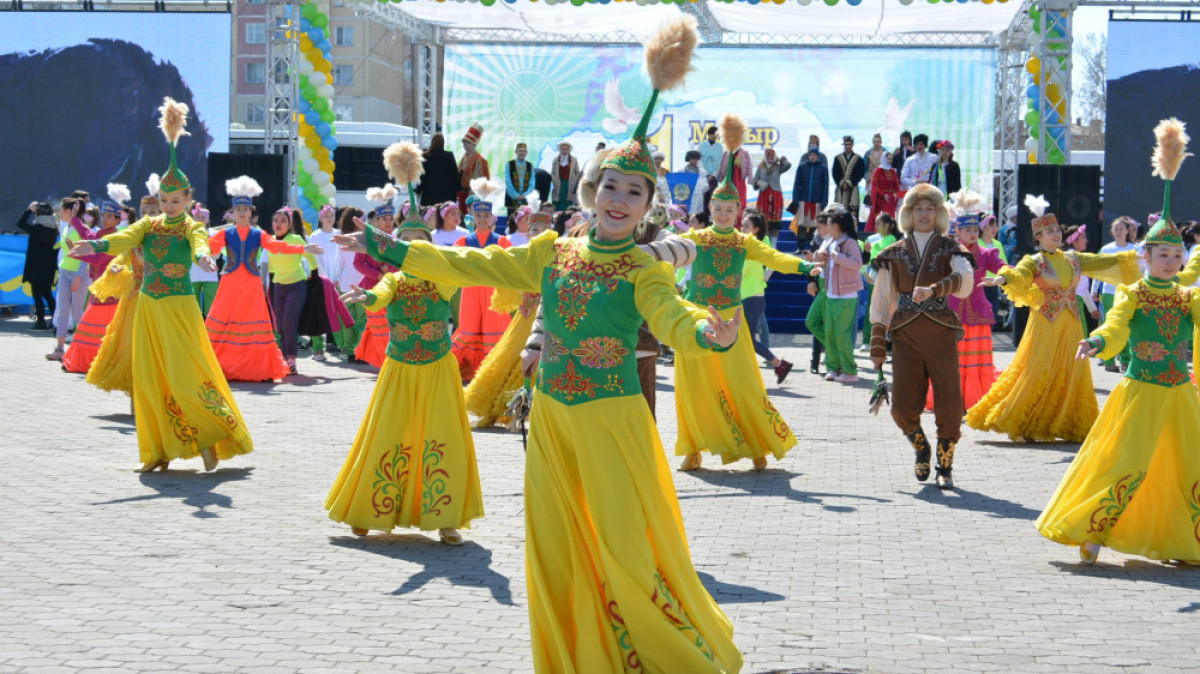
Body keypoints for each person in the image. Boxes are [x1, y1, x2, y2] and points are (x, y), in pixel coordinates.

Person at [335, 17, 743, 670]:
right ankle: (576, 655)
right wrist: (385, 247)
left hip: (613, 422)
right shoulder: (553, 253)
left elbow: (669, 316)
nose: (618, 198)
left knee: (624, 546)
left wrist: (704, 330)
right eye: (610, 185)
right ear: (592, 190)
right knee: (554, 545)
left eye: (633, 192)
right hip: (552, 418)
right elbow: (470, 267)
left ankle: (655, 652)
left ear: (646, 209)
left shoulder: (641, 267)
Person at [1038, 123, 1200, 565]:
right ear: (1144, 257)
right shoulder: (1133, 293)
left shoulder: (1189, 297)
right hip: (1140, 391)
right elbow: (1117, 325)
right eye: (1161, 255)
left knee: (1187, 466)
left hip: (1180, 394)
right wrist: (1096, 341)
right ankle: (1091, 531)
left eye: (1176, 256)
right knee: (1123, 462)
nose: (1170, 261)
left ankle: (1186, 539)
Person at [68, 98, 252, 472]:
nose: (168, 206)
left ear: (188, 199)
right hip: (148, 309)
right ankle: (157, 452)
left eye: (175, 200)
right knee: (149, 381)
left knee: (187, 376)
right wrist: (97, 244)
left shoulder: (190, 226)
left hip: (179, 309)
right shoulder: (147, 227)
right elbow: (123, 239)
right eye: (163, 201)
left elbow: (201, 243)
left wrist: (203, 257)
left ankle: (208, 437)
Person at [327, 143, 482, 545]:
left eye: (420, 240)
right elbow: (381, 292)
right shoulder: (394, 279)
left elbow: (460, 279)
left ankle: (445, 517)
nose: (413, 247)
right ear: (396, 245)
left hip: (437, 367)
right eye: (406, 240)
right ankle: (368, 508)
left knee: (441, 436)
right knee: (388, 433)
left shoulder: (443, 277)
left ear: (430, 244)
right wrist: (366, 298)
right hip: (399, 367)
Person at [676, 113, 814, 473]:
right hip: (697, 319)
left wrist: (803, 266)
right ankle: (694, 447)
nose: (722, 214)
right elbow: (667, 252)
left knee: (743, 383)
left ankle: (757, 445)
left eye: (729, 209)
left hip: (734, 320)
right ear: (710, 209)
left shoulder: (743, 243)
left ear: (738, 212)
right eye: (717, 209)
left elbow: (774, 257)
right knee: (695, 385)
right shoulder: (695, 239)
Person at [970, 194, 1139, 443]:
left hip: (1071, 323)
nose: (1055, 235)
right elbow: (1019, 275)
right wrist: (1001, 279)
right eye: (1049, 232)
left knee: (1072, 369)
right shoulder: (1034, 261)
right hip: (1045, 323)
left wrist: (1136, 257)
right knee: (1041, 369)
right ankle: (1029, 421)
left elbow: (1102, 261)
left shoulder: (1073, 258)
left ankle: (1068, 422)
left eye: (1057, 230)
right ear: (1038, 237)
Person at [869, 184, 974, 489]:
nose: (924, 214)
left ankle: (945, 465)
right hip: (905, 337)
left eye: (930, 209)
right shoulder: (893, 254)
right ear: (908, 214)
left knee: (950, 403)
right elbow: (881, 301)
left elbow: (966, 281)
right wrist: (878, 346)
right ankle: (921, 447)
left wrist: (935, 289)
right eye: (918, 209)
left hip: (941, 334)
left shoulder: (950, 248)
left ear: (939, 213)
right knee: (901, 406)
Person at [206, 178, 313, 381]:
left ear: (251, 212)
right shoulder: (226, 233)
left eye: (246, 209)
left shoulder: (258, 233)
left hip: (251, 284)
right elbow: (208, 247)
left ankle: (255, 368)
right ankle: (219, 365)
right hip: (230, 282)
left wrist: (303, 248)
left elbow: (278, 246)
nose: (242, 213)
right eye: (239, 209)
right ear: (233, 212)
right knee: (224, 319)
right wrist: (198, 251)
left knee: (252, 320)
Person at [464, 208, 554, 428]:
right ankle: (500, 408)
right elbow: (507, 280)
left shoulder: (556, 257)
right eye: (534, 229)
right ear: (528, 232)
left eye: (543, 229)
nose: (538, 233)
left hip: (546, 318)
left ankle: (530, 410)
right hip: (523, 318)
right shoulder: (522, 254)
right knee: (509, 358)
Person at [938, 192, 1005, 411]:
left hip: (978, 314)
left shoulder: (987, 253)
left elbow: (1002, 267)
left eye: (976, 229)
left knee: (977, 362)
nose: (973, 233)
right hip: (952, 313)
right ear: (957, 231)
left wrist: (1009, 275)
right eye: (968, 230)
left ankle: (976, 399)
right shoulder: (947, 252)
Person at [62, 185, 130, 374]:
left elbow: (100, 258)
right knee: (93, 324)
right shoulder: (102, 234)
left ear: (117, 219)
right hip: (100, 284)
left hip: (110, 287)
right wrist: (75, 219)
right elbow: (88, 235)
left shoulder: (116, 237)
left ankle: (98, 362)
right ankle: (89, 361)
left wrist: (76, 254)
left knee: (98, 324)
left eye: (110, 216)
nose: (106, 219)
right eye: (105, 216)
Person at [452, 179, 512, 382]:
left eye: (486, 215)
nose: (483, 219)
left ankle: (493, 373)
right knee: (468, 328)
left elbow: (510, 265)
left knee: (494, 330)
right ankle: (460, 368)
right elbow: (455, 263)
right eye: (479, 215)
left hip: (494, 292)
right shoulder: (464, 241)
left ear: (492, 218)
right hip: (471, 289)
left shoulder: (502, 241)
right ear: (472, 217)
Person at [264, 208, 322, 376]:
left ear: (289, 224)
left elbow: (310, 256)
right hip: (277, 286)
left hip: (296, 286)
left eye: (283, 221)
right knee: (280, 326)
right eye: (276, 220)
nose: (278, 224)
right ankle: (283, 359)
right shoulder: (271, 241)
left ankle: (291, 360)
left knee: (289, 324)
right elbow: (272, 266)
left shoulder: (295, 238)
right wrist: (271, 285)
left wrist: (315, 275)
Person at [739, 208, 792, 381]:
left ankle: (778, 364)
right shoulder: (747, 245)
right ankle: (753, 370)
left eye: (746, 226)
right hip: (747, 296)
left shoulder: (754, 248)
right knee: (744, 337)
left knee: (747, 338)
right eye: (742, 225)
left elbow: (741, 271)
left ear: (756, 229)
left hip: (752, 296)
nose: (742, 229)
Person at [816, 207, 864, 383]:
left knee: (842, 334)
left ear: (836, 225)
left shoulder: (850, 243)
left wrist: (837, 257)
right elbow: (822, 259)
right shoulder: (830, 242)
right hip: (831, 294)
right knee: (830, 332)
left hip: (847, 295)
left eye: (829, 225)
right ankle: (833, 368)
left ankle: (850, 372)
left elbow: (857, 264)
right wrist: (817, 255)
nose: (827, 228)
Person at [354, 189, 400, 368]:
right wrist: (379, 274)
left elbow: (402, 262)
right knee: (379, 327)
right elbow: (358, 263)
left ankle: (389, 360)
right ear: (377, 221)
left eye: (390, 219)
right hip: (373, 289)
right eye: (384, 219)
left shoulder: (397, 240)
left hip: (394, 288)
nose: (388, 223)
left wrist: (390, 273)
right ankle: (385, 363)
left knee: (392, 327)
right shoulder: (367, 239)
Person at [45, 196, 90, 361]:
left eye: (63, 209)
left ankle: (84, 350)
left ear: (71, 211)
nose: (60, 212)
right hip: (65, 272)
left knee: (78, 313)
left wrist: (78, 276)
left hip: (79, 274)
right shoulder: (66, 227)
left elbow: (85, 256)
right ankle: (59, 349)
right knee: (63, 311)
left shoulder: (82, 229)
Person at [1094, 216, 1139, 372]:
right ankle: (1108, 360)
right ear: (1112, 231)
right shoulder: (1106, 249)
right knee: (1110, 326)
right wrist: (1094, 290)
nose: (1118, 231)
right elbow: (1099, 270)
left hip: (1128, 293)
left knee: (1126, 326)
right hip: (1109, 293)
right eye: (1116, 229)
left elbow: (1141, 271)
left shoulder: (1135, 249)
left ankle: (1126, 360)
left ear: (1127, 231)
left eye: (1121, 228)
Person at [16, 202, 58, 330]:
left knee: (37, 294)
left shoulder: (37, 227)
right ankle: (55, 321)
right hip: (49, 265)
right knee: (47, 293)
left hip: (36, 265)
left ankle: (41, 321)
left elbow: (20, 224)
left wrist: (28, 210)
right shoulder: (54, 228)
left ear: (38, 214)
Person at [861, 211, 900, 348]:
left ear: (888, 225)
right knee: (871, 309)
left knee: (887, 309)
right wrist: (865, 274)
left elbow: (881, 255)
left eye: (879, 223)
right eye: (875, 223)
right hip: (873, 276)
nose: (876, 226)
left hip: (887, 278)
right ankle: (867, 340)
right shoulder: (872, 239)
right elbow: (866, 259)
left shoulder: (893, 240)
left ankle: (885, 342)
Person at [333, 206, 366, 360]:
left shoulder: (343, 238)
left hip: (349, 284)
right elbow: (339, 262)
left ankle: (350, 349)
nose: (364, 222)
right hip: (357, 284)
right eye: (362, 219)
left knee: (352, 319)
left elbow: (338, 263)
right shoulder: (360, 238)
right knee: (359, 319)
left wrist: (338, 280)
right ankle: (354, 350)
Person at [789, 147, 829, 242]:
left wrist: (824, 202)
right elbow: (796, 184)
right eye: (811, 155)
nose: (812, 157)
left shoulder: (823, 168)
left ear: (818, 156)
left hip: (817, 201)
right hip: (803, 200)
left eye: (814, 155)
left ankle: (812, 247)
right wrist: (795, 199)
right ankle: (800, 247)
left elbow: (825, 186)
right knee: (802, 225)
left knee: (815, 225)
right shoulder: (802, 166)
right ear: (808, 156)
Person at [751, 147, 791, 231]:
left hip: (775, 195)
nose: (770, 160)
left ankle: (773, 243)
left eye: (772, 158)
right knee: (763, 222)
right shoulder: (761, 166)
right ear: (765, 157)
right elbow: (754, 180)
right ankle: (764, 240)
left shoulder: (778, 166)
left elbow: (788, 165)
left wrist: (783, 160)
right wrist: (759, 183)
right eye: (768, 158)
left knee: (775, 225)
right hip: (764, 196)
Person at [419, 132, 459, 207]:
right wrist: (458, 189)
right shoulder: (449, 156)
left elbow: (422, 177)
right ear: (443, 143)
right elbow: (455, 175)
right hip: (446, 195)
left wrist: (418, 190)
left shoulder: (425, 156)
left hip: (429, 195)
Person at [456, 123, 489, 213]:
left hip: (471, 196)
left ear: (473, 144)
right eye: (464, 143)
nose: (464, 146)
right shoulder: (465, 157)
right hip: (461, 195)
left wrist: (472, 196)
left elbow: (478, 181)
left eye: (466, 143)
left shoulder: (479, 160)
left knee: (470, 219)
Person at [832, 136, 866, 220]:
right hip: (840, 189)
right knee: (838, 213)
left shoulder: (858, 159)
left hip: (853, 189)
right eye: (846, 144)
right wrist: (841, 183)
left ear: (852, 145)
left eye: (849, 144)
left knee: (852, 214)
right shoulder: (837, 158)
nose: (847, 146)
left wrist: (850, 183)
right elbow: (835, 173)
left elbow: (860, 173)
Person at [866, 151, 901, 233]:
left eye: (891, 159)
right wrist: (883, 195)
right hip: (881, 200)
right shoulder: (878, 171)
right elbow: (874, 186)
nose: (890, 161)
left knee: (890, 218)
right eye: (889, 159)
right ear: (884, 159)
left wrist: (897, 194)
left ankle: (889, 233)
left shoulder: (893, 171)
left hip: (891, 200)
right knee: (880, 217)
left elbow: (897, 185)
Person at [504, 142, 536, 214]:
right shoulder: (509, 164)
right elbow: (508, 181)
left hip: (526, 199)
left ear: (526, 153)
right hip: (512, 199)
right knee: (511, 221)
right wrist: (516, 195)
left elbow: (532, 183)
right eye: (520, 151)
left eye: (524, 151)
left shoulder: (530, 165)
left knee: (525, 221)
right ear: (516, 152)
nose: (522, 153)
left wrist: (525, 195)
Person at [549, 141, 581, 211]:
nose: (564, 151)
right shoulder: (556, 159)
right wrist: (554, 181)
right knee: (558, 198)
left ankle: (568, 215)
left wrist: (575, 181)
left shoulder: (574, 159)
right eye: (562, 149)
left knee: (568, 198)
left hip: (569, 183)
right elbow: (553, 172)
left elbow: (577, 172)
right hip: (558, 183)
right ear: (559, 150)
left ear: (569, 150)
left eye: (566, 149)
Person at [864, 133, 887, 197]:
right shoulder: (868, 153)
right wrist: (866, 176)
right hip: (871, 178)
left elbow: (888, 165)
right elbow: (864, 166)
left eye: (877, 142)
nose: (876, 143)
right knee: (871, 198)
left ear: (881, 142)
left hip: (882, 178)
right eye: (874, 142)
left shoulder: (885, 152)